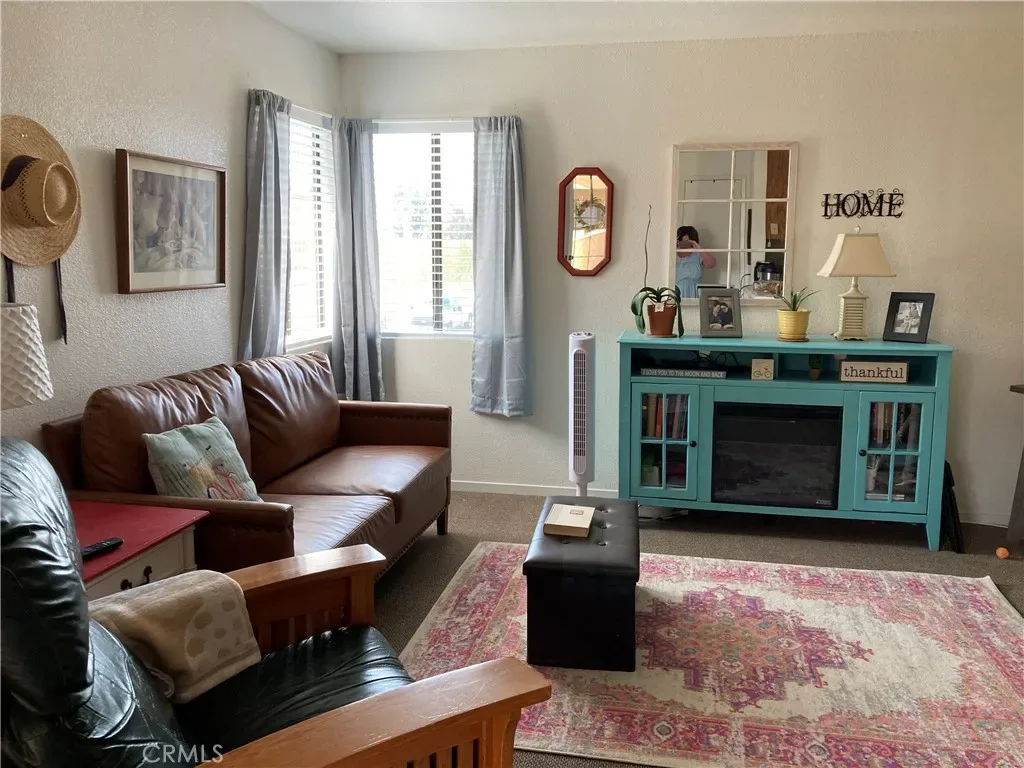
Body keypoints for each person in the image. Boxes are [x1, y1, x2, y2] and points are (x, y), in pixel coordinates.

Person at [675, 226, 717, 298]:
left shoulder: (697, 254)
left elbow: (711, 264)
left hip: (694, 291)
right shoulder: (672, 254)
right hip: (676, 291)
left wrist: (698, 248)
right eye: (680, 240)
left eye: (686, 242)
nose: (682, 244)